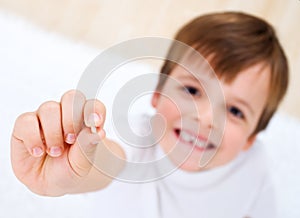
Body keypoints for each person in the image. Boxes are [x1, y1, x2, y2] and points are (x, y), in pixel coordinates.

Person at [11, 11, 288, 217]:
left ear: (251, 138)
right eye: (191, 91)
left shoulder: (254, 168)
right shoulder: (136, 138)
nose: (205, 118)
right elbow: (102, 161)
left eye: (235, 111)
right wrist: (69, 173)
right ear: (157, 93)